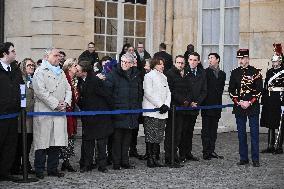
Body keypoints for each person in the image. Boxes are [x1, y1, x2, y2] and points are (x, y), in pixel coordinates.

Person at [33, 48, 72, 179]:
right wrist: (56, 104)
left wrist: (65, 103)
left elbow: (68, 89)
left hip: (59, 112)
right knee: (42, 142)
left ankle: (52, 168)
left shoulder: (61, 72)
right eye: (55, 55)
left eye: (59, 56)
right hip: (44, 112)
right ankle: (39, 169)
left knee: (56, 141)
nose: (58, 57)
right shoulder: (39, 72)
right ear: (46, 57)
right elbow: (40, 92)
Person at [106, 53, 143, 170]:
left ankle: (125, 161)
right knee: (117, 140)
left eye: (126, 62)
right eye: (122, 61)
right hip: (118, 111)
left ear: (132, 64)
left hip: (132, 112)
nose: (123, 64)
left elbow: (139, 93)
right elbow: (108, 93)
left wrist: (137, 108)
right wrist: (114, 107)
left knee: (127, 139)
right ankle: (116, 162)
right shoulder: (113, 74)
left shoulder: (136, 75)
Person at [77, 60, 113, 173]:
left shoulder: (95, 81)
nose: (76, 71)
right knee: (88, 142)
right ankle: (87, 164)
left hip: (100, 115)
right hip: (88, 116)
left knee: (101, 142)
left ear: (84, 71)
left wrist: (108, 110)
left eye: (78, 70)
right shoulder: (79, 81)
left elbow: (106, 95)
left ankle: (102, 165)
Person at [228, 49, 263, 167]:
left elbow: (259, 91)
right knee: (241, 134)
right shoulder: (234, 72)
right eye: (239, 58)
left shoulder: (256, 72)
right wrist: (239, 102)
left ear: (248, 58)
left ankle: (255, 159)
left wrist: (250, 102)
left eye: (242, 58)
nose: (240, 61)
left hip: (252, 106)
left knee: (254, 134)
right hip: (239, 106)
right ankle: (243, 158)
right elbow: (231, 90)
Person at [0, 42, 23, 181]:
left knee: (10, 145)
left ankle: (4, 171)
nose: (15, 53)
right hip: (1, 115)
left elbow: (22, 89)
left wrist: (23, 106)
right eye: (12, 51)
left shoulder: (15, 69)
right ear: (4, 54)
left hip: (13, 115)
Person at [164, 55, 192, 167]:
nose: (180, 65)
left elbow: (190, 89)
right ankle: (169, 158)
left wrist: (188, 101)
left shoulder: (186, 74)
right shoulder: (169, 74)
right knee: (171, 134)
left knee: (178, 134)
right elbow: (171, 91)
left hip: (182, 109)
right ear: (175, 63)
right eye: (178, 62)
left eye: (182, 63)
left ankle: (175, 157)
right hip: (173, 109)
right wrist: (183, 101)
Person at [179, 52, 207, 163]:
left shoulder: (202, 73)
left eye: (195, 60)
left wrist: (197, 103)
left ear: (198, 61)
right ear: (188, 60)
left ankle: (188, 152)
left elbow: (204, 90)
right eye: (191, 59)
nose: (192, 62)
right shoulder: (183, 71)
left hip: (195, 107)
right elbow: (181, 89)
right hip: (185, 106)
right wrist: (189, 102)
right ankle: (181, 154)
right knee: (183, 131)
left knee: (190, 131)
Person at [142, 57, 171, 168]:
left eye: (163, 64)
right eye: (160, 64)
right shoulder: (148, 76)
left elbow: (168, 92)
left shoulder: (164, 76)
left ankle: (155, 157)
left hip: (162, 112)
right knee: (151, 135)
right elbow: (148, 93)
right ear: (154, 65)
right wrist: (160, 105)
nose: (162, 66)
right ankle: (150, 158)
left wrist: (166, 105)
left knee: (158, 136)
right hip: (152, 112)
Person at [11, 58, 36, 175]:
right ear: (23, 67)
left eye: (33, 65)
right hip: (23, 118)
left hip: (32, 117)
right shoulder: (21, 79)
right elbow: (21, 99)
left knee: (28, 144)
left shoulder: (33, 79)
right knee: (20, 144)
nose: (31, 67)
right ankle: (16, 166)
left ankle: (25, 164)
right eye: (29, 65)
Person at [201, 53, 226, 160]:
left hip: (217, 106)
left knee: (213, 130)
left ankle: (211, 150)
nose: (210, 60)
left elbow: (220, 90)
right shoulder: (205, 72)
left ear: (218, 60)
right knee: (206, 130)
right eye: (209, 58)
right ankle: (206, 152)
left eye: (212, 58)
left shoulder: (223, 74)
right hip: (207, 106)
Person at [260, 44, 284, 154]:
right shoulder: (269, 72)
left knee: (280, 123)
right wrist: (264, 100)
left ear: (280, 61)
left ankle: (278, 147)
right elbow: (266, 86)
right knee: (270, 123)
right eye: (273, 61)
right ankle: (270, 145)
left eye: (276, 61)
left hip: (280, 100)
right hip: (270, 99)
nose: (274, 63)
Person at [59, 58, 80, 172]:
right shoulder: (64, 78)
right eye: (75, 65)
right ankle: (63, 159)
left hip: (72, 112)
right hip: (65, 112)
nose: (77, 68)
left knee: (71, 136)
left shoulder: (75, 79)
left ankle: (66, 160)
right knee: (65, 135)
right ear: (69, 67)